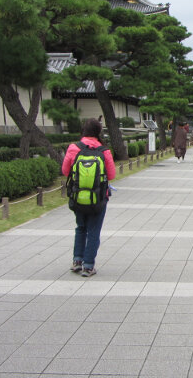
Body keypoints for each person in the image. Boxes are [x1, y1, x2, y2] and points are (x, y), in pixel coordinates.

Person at [62, 118, 116, 277]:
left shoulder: (74, 148)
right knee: (93, 230)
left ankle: (77, 261)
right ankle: (89, 265)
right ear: (98, 132)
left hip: (78, 196)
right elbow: (111, 174)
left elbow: (66, 171)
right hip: (98, 198)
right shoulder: (103, 151)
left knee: (81, 227)